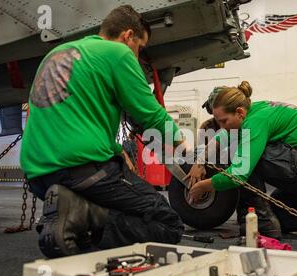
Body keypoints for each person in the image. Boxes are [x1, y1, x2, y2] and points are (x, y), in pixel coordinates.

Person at [20, 5, 185, 258]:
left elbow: (78, 113)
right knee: (167, 224)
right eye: (139, 48)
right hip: (81, 169)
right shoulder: (117, 52)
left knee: (121, 206)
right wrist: (181, 145)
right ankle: (84, 217)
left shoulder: (60, 52)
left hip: (39, 176)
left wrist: (117, 150)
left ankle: (74, 223)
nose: (137, 55)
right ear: (128, 36)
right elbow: (149, 112)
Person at [187, 81, 297, 240]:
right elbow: (222, 136)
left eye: (223, 121)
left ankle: (263, 223)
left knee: (243, 156)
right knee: (279, 215)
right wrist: (199, 162)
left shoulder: (255, 121)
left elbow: (239, 174)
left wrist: (203, 186)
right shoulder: (254, 110)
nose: (222, 126)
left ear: (239, 112)